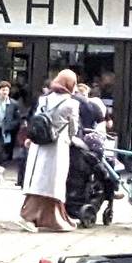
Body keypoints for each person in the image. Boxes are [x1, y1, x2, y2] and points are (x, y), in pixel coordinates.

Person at [20, 71, 84, 233]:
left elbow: (36, 119)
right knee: (53, 183)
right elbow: (73, 128)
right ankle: (45, 218)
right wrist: (70, 138)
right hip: (57, 146)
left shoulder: (44, 99)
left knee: (38, 180)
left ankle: (46, 217)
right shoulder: (72, 104)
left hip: (39, 145)